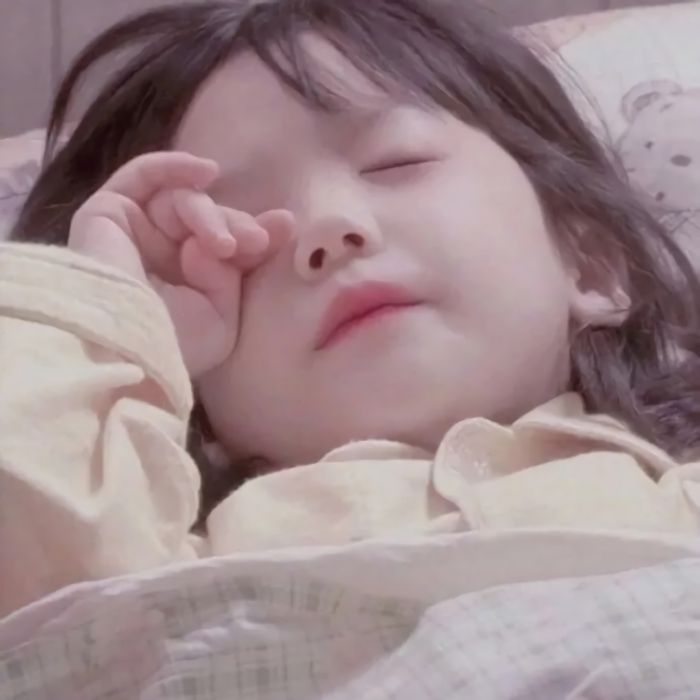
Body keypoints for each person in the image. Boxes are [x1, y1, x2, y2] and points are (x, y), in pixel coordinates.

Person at [2, 0, 699, 618]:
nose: (326, 228)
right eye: (240, 231)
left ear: (592, 263)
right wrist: (117, 321)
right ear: (200, 405)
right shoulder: (155, 561)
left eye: (395, 162)